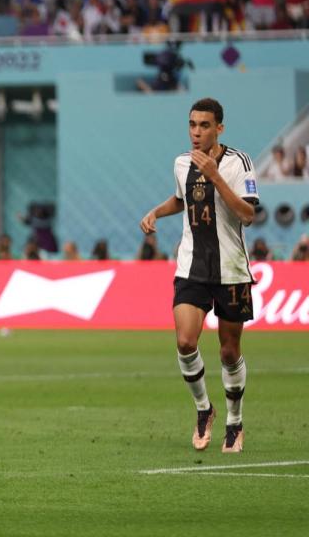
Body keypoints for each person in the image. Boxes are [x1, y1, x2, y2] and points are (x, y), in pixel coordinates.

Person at [140, 98, 257, 453]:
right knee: (185, 342)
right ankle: (204, 409)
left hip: (231, 270)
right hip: (191, 267)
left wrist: (216, 176)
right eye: (192, 124)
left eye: (204, 125)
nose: (196, 132)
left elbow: (248, 214)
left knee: (229, 351)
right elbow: (183, 199)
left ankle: (235, 421)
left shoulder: (239, 163)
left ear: (219, 128)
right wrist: (156, 212)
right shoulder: (181, 163)